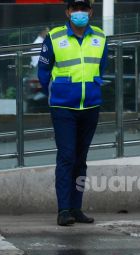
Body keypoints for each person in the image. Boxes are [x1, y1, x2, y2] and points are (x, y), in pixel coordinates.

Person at [37, 0, 107, 226]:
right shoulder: (55, 37)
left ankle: (76, 208)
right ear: (67, 12)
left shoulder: (100, 37)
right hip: (63, 107)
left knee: (81, 159)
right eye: (75, 9)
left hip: (90, 106)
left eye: (84, 8)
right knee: (67, 157)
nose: (80, 12)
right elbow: (43, 70)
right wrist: (57, 91)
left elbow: (102, 66)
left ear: (91, 12)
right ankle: (64, 209)